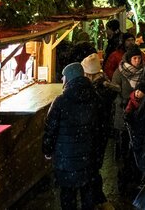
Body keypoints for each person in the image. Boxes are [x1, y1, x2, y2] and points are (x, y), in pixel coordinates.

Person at [43, 63, 104, 210]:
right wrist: (97, 155)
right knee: (87, 196)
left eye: (64, 77)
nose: (62, 79)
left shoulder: (61, 101)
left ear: (69, 78)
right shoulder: (95, 98)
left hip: (66, 160)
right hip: (88, 159)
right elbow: (101, 129)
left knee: (67, 197)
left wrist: (47, 150)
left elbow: (50, 129)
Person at [81, 53, 118, 206]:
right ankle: (98, 199)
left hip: (96, 134)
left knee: (92, 170)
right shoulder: (105, 86)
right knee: (94, 168)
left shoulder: (97, 91)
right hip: (101, 132)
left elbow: (93, 114)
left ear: (89, 74)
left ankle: (97, 200)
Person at [111, 47, 145, 193]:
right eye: (134, 58)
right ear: (129, 59)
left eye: (139, 58)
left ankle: (135, 176)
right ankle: (124, 178)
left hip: (138, 115)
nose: (137, 61)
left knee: (137, 147)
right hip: (123, 114)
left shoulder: (144, 72)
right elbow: (115, 90)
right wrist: (124, 101)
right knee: (124, 146)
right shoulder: (120, 72)